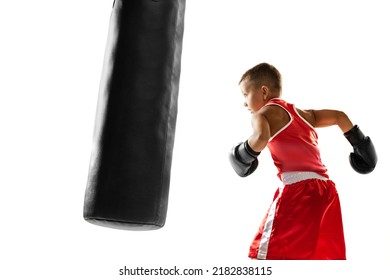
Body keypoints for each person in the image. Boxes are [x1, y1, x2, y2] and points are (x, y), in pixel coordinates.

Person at [229, 62, 377, 260]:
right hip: (327, 191)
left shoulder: (261, 115)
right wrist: (360, 144)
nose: (244, 103)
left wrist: (241, 155)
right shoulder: (303, 114)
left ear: (263, 91)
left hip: (299, 190)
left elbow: (261, 138)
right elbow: (339, 117)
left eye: (245, 94)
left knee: (264, 255)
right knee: (318, 258)